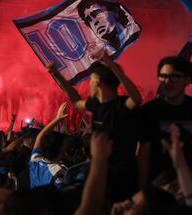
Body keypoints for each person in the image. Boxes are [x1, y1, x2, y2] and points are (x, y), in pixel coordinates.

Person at [47, 52, 142, 202]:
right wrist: (56, 74)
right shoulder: (95, 104)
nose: (88, 83)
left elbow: (136, 99)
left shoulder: (121, 106)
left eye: (90, 79)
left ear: (97, 82)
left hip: (121, 175)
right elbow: (76, 100)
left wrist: (112, 67)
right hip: (99, 171)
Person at [138, 56, 192, 196]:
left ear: (187, 80)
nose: (168, 82)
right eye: (163, 76)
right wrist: (142, 190)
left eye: (174, 76)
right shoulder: (149, 111)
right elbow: (144, 153)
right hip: (159, 190)